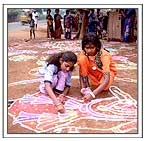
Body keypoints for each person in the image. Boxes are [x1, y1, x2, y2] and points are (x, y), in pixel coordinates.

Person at [78, 32, 117, 103]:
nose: (89, 50)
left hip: (106, 74)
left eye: (92, 48)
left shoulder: (104, 55)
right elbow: (81, 71)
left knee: (105, 86)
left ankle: (98, 85)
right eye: (87, 48)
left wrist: (93, 94)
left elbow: (107, 78)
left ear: (97, 46)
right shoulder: (83, 53)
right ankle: (86, 87)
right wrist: (83, 89)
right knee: (81, 59)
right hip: (94, 73)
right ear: (84, 47)